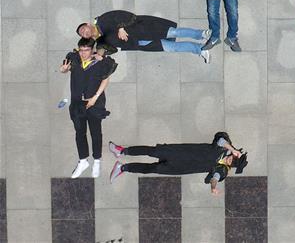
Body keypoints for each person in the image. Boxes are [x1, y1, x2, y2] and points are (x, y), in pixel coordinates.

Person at [108, 131, 248, 194]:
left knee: (151, 168)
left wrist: (213, 187)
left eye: (232, 163)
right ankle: (121, 151)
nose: (230, 160)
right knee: (151, 151)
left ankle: (123, 168)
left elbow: (215, 178)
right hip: (179, 152)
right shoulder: (224, 147)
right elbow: (220, 138)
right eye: (233, 158)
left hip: (179, 167)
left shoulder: (222, 170)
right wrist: (232, 149)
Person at [59, 38, 117, 178]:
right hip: (77, 103)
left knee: (96, 133)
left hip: (94, 103)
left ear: (92, 50)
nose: (83, 53)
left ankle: (97, 161)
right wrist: (63, 70)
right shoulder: (74, 58)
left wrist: (95, 97)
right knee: (80, 133)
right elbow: (65, 68)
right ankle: (83, 160)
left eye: (86, 50)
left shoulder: (102, 62)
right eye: (81, 50)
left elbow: (106, 79)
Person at [76, 11, 212, 63]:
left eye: (83, 29)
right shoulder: (100, 41)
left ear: (88, 24)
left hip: (145, 28)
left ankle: (201, 34)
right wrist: (100, 55)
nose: (84, 33)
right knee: (173, 48)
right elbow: (110, 49)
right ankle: (200, 49)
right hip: (141, 43)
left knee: (174, 32)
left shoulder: (103, 20)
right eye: (82, 34)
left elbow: (125, 15)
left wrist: (121, 27)